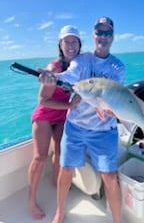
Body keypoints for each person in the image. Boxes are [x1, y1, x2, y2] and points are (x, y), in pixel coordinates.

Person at [39, 16, 125, 223]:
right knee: (65, 170)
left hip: (104, 130)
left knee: (111, 178)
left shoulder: (118, 67)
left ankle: (117, 220)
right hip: (75, 128)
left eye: (107, 33)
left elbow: (115, 97)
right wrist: (53, 78)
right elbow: (69, 75)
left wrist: (114, 111)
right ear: (93, 35)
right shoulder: (81, 60)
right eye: (99, 32)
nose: (103, 37)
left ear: (112, 37)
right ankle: (60, 212)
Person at [28, 25, 82, 220]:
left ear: (79, 44)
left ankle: (55, 182)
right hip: (45, 114)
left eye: (74, 41)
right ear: (60, 45)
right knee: (40, 157)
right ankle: (31, 200)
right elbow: (42, 100)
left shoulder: (80, 66)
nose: (71, 45)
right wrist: (69, 106)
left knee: (60, 152)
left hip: (61, 116)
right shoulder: (53, 68)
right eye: (66, 41)